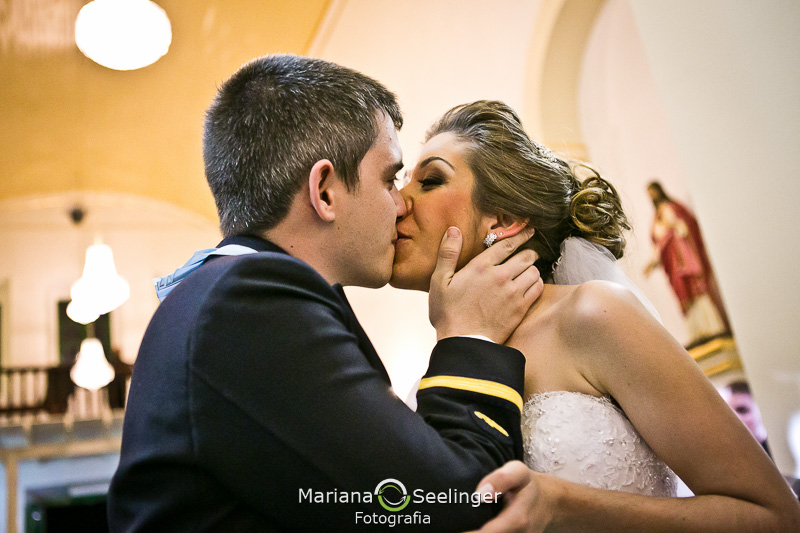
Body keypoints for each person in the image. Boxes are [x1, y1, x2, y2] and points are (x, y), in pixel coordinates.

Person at [107, 57, 545, 531]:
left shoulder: (229, 294)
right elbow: (458, 503)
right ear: (325, 192)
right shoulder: (250, 306)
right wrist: (469, 337)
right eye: (389, 179)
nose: (401, 204)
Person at [390, 100, 800, 531]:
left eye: (429, 181)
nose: (399, 202)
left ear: (504, 220)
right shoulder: (434, 382)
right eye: (400, 183)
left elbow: (775, 516)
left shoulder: (592, 315)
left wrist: (563, 505)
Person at [643, 180, 731, 345]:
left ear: (660, 191)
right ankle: (697, 332)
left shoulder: (674, 208)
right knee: (683, 295)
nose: (652, 196)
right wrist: (653, 262)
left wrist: (676, 231)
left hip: (684, 258)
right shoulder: (655, 218)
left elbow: (685, 227)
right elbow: (657, 243)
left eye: (653, 192)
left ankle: (711, 328)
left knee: (696, 290)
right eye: (649, 195)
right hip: (672, 264)